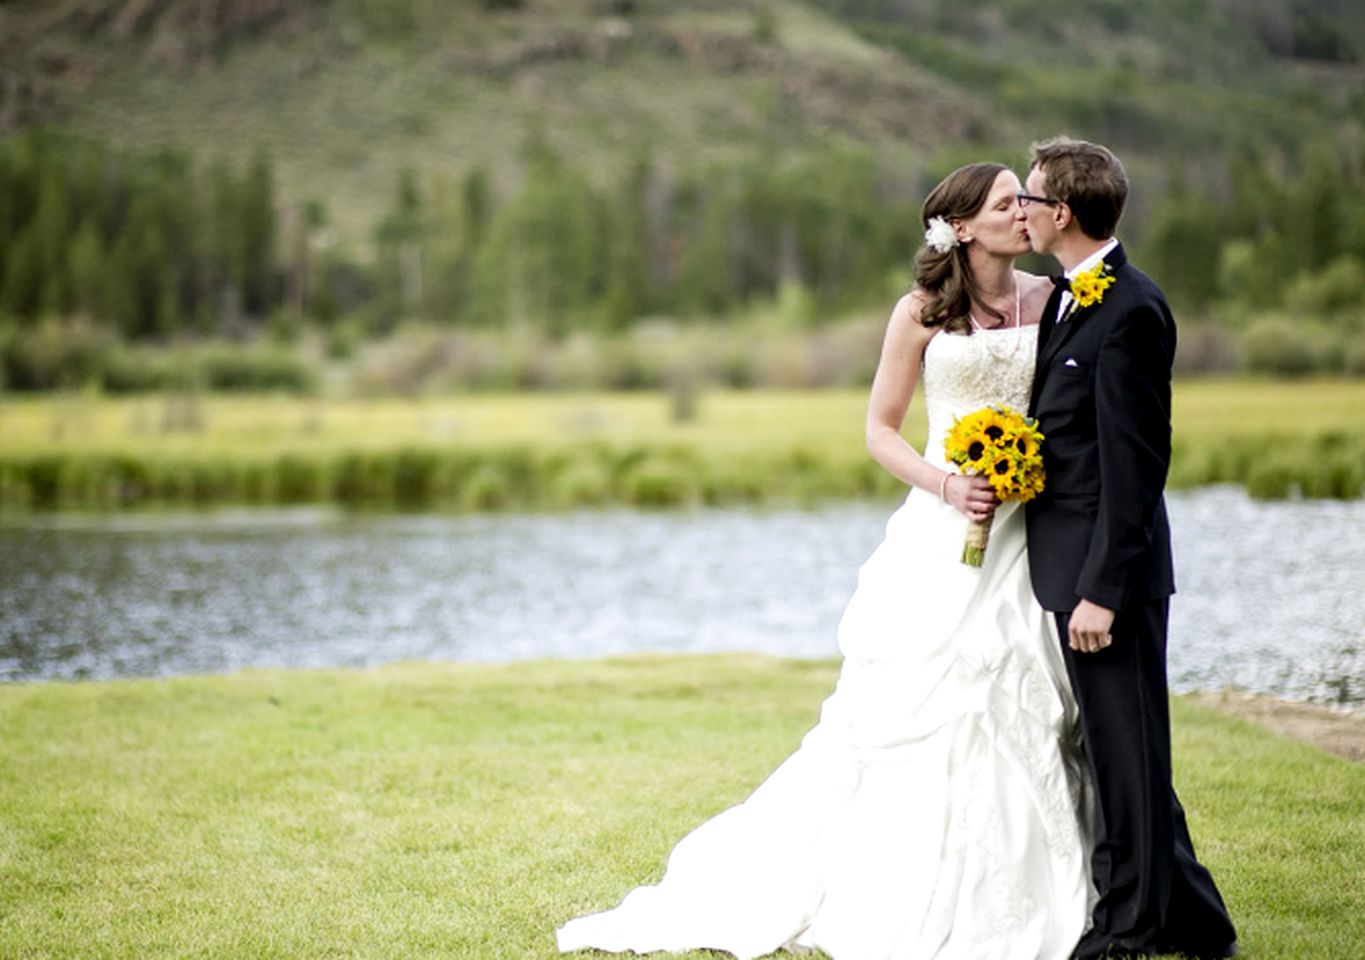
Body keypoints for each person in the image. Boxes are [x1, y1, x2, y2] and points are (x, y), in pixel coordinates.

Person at [556, 162, 1093, 960]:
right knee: (923, 698)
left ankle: (1058, 885)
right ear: (961, 227)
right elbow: (879, 429)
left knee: (1030, 692)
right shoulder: (918, 314)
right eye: (1006, 201)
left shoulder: (1053, 302)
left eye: (1025, 198)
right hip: (947, 526)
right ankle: (899, 884)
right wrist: (948, 484)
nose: (1025, 211)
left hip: (1031, 532)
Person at [1018, 136, 1238, 960]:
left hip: (1111, 580)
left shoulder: (1132, 309)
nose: (1025, 212)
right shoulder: (1074, 298)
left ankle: (1125, 932)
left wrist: (1103, 590)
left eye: (1031, 199)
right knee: (1123, 754)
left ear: (1062, 212)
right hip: (1071, 567)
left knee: (1127, 755)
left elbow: (1136, 467)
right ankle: (1195, 922)